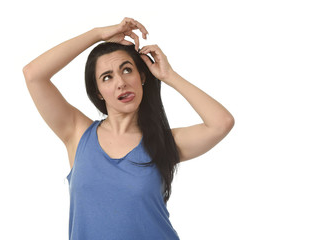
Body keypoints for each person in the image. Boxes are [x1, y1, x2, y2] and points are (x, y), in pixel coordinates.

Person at [23, 17, 234, 240]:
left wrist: (169, 76)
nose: (121, 82)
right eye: (107, 77)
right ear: (98, 92)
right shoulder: (77, 133)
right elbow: (33, 75)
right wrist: (97, 34)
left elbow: (221, 123)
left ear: (142, 76)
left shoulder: (164, 142)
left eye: (126, 70)